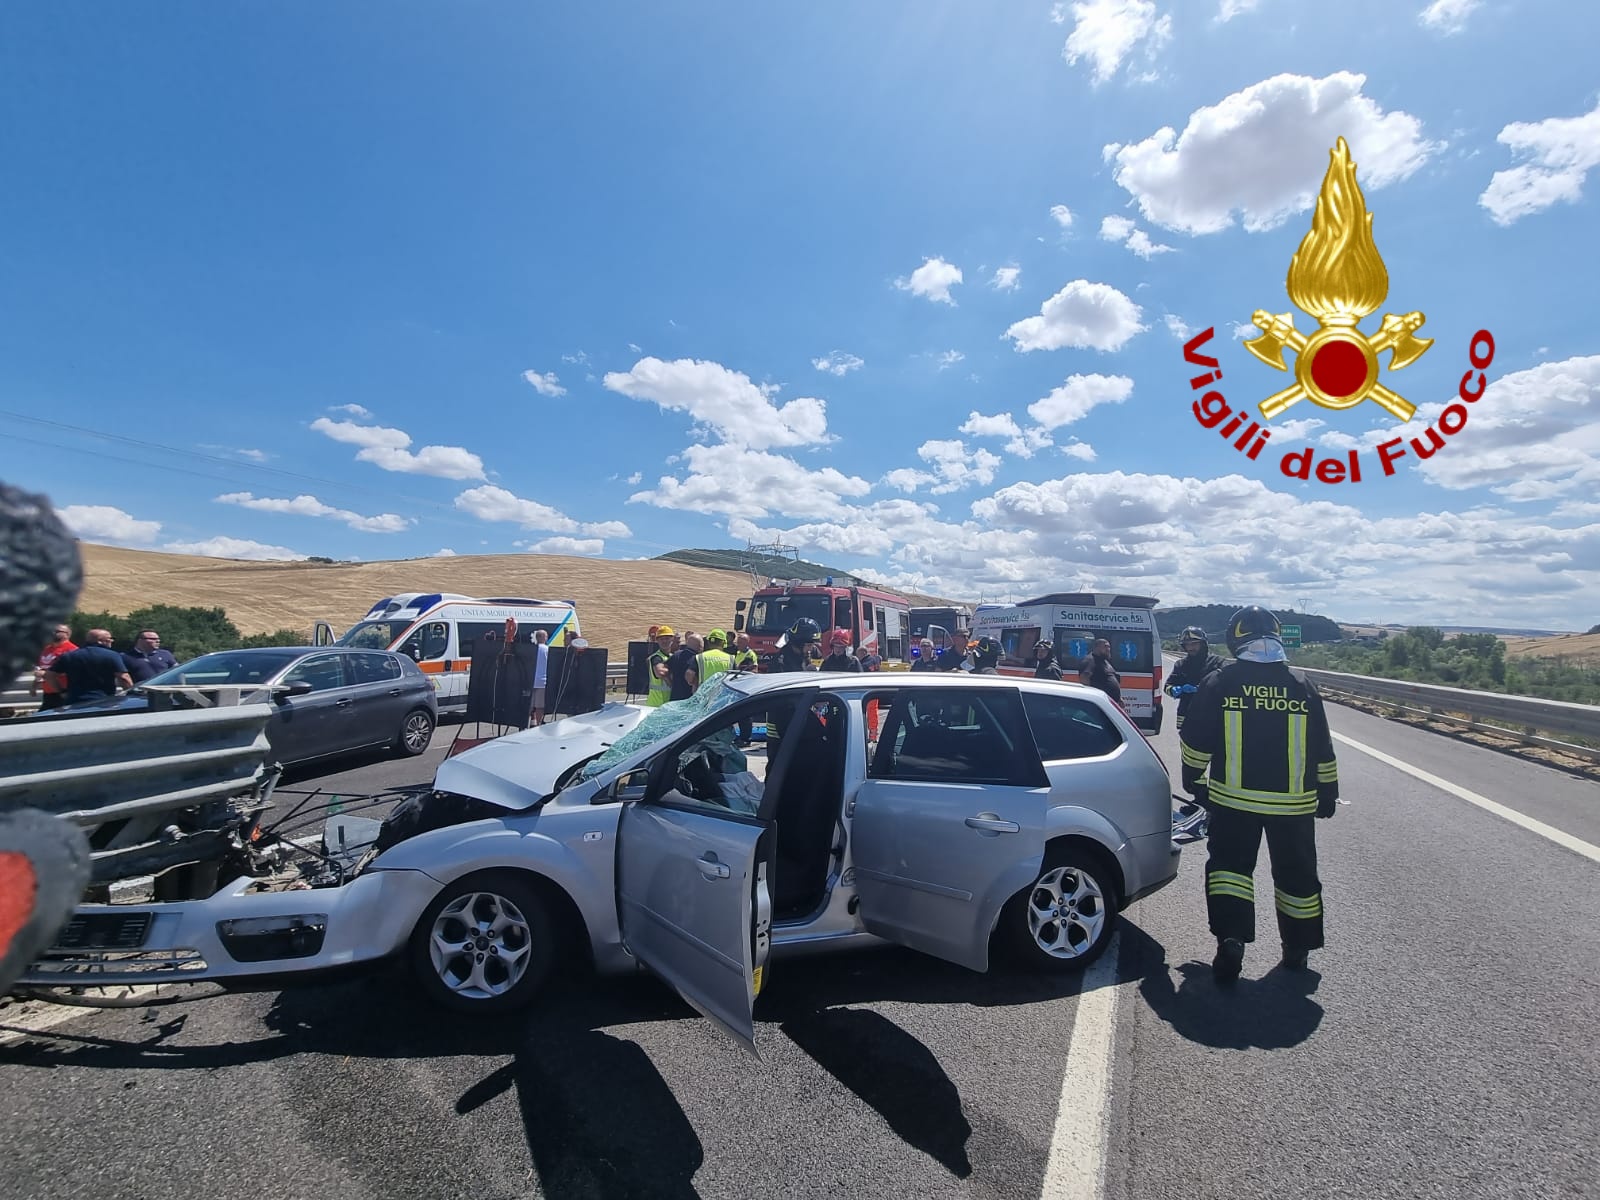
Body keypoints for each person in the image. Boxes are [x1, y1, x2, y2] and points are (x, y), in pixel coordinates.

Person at [1179, 606, 1339, 982]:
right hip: (1294, 806)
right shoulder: (1302, 684)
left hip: (1233, 802)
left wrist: (1194, 779)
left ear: (1236, 638)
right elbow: (1322, 745)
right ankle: (1298, 948)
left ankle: (1232, 940)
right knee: (1297, 876)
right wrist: (1328, 791)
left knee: (1231, 871)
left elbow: (1195, 740)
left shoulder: (1221, 682)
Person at [1166, 625, 1225, 733]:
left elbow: (1226, 688)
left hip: (1211, 716)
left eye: (1194, 644)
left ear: (1203, 644)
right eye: (1187, 645)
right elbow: (1168, 686)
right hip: (1186, 716)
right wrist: (1174, 690)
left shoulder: (1217, 662)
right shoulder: (1180, 664)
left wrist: (1202, 689)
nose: (1190, 648)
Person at [50, 628, 132, 705]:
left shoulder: (69, 656)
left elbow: (49, 675)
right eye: (109, 639)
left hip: (74, 700)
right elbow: (124, 677)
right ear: (99, 641)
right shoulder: (112, 655)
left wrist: (61, 691)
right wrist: (131, 694)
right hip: (103, 700)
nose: (112, 641)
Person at [33, 623, 77, 710]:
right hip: (48, 692)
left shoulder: (72, 650)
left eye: (57, 631)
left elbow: (74, 670)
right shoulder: (47, 649)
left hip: (63, 691)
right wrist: (34, 686)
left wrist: (48, 673)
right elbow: (41, 669)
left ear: (67, 634)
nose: (53, 633)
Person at [1078, 638, 1122, 704]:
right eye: (1105, 646)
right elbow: (1084, 677)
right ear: (1097, 647)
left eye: (1109, 647)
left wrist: (1119, 698)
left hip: (1110, 701)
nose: (1108, 649)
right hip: (1101, 702)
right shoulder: (1090, 660)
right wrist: (1093, 697)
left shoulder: (1104, 661)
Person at [645, 625, 675, 707]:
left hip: (668, 703)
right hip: (656, 704)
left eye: (667, 638)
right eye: (661, 639)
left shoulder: (672, 656)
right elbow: (661, 673)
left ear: (672, 639)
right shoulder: (656, 657)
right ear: (657, 641)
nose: (664, 641)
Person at [668, 632, 701, 701]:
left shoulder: (676, 655)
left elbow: (666, 670)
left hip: (675, 697)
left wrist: (670, 683)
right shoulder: (697, 658)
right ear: (700, 646)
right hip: (689, 699)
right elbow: (690, 677)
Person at [530, 629, 550, 726]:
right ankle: (538, 724)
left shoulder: (531, 649)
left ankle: (527, 723)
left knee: (528, 705)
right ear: (543, 638)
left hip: (530, 680)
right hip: (542, 681)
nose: (547, 638)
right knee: (539, 706)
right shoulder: (547, 650)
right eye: (546, 636)